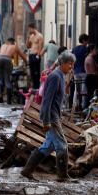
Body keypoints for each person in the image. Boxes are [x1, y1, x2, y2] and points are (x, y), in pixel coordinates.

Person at [21, 51, 75, 182]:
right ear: (61, 63)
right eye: (69, 64)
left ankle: (27, 170)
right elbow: (47, 100)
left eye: (73, 65)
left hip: (55, 115)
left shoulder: (61, 76)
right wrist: (46, 121)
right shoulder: (55, 77)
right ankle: (62, 176)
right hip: (51, 117)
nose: (71, 67)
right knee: (62, 145)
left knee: (48, 146)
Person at [0, 37, 27, 104]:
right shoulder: (14, 46)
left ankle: (0, 96)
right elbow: (23, 56)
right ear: (13, 42)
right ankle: (8, 100)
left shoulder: (3, 45)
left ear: (8, 41)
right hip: (7, 59)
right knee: (7, 79)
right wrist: (27, 63)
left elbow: (1, 53)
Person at [71, 34, 89, 113]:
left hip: (76, 72)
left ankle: (76, 105)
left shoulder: (74, 49)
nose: (87, 42)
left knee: (76, 90)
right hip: (84, 72)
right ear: (84, 40)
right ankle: (83, 106)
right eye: (87, 40)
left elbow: (72, 60)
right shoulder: (86, 49)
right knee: (84, 91)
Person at [26, 22, 45, 90]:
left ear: (33, 28)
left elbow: (40, 46)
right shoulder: (31, 36)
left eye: (30, 29)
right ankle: (34, 85)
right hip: (31, 54)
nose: (29, 31)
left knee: (36, 71)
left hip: (36, 55)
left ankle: (37, 85)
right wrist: (28, 38)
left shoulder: (39, 36)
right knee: (32, 71)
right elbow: (28, 46)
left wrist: (38, 55)